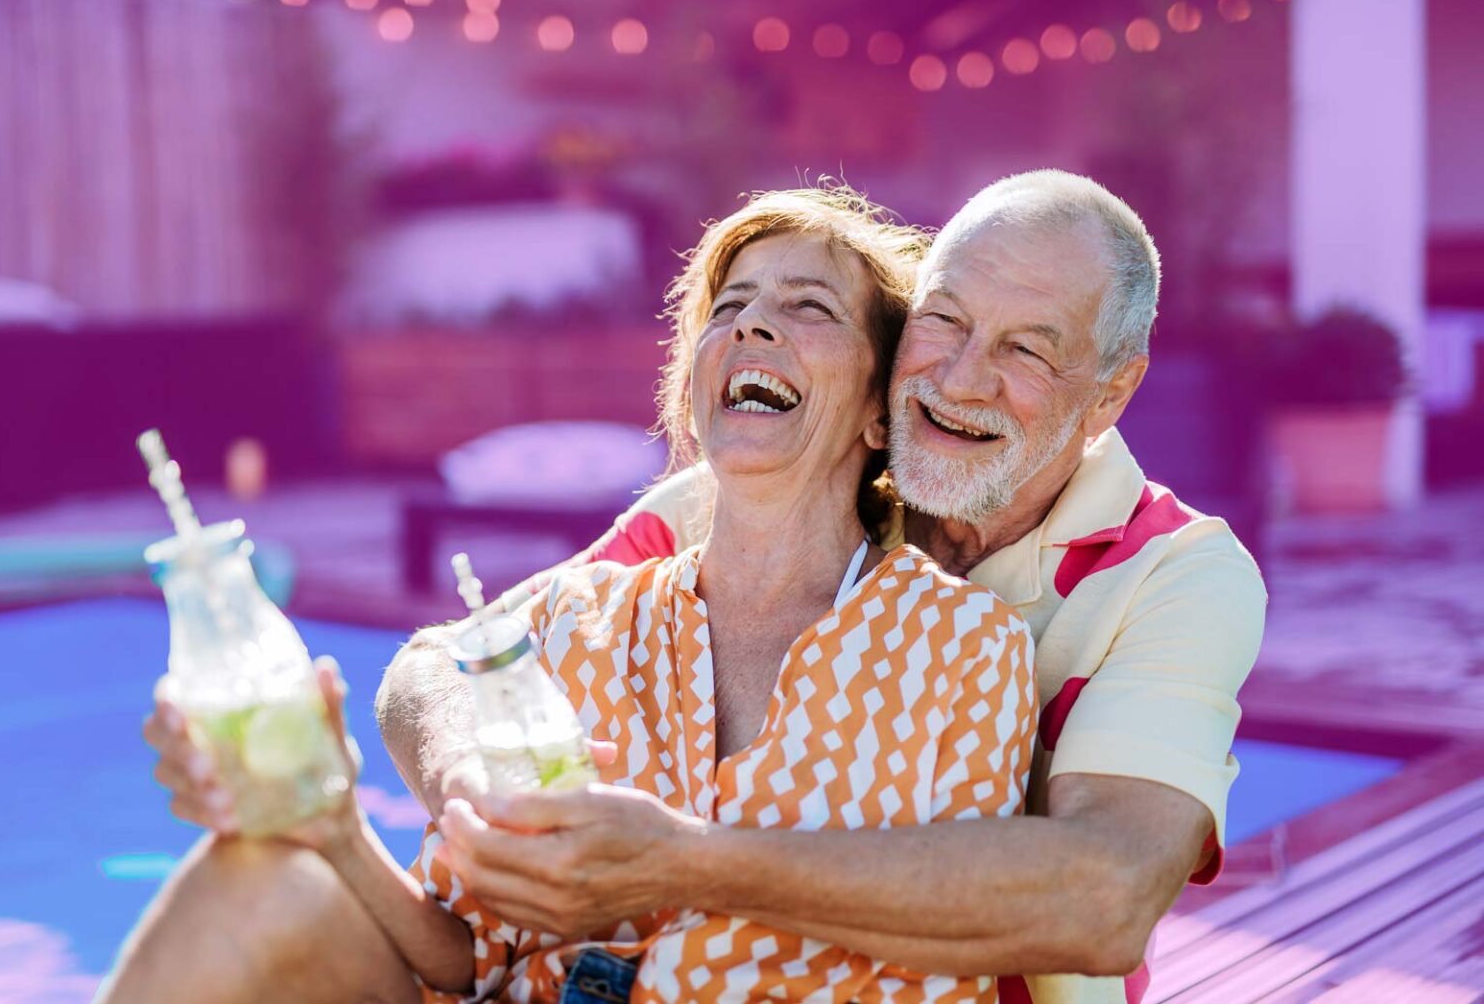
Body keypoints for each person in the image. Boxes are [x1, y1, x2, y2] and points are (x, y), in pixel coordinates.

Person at [107, 187, 1039, 1004]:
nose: (753, 326)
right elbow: (466, 959)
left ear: (882, 409)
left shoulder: (963, 646)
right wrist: (339, 827)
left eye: (809, 308)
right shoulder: (567, 624)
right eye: (732, 306)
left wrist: (685, 865)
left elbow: (950, 936)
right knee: (261, 875)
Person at [377, 170, 1268, 1004]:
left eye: (1026, 350)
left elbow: (1105, 896)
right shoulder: (758, 492)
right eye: (945, 320)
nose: (960, 379)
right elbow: (446, 662)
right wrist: (469, 780)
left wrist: (683, 860)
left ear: (1111, 393)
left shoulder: (1180, 573)